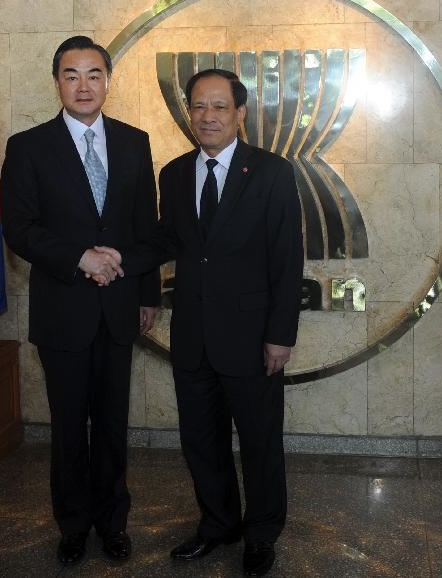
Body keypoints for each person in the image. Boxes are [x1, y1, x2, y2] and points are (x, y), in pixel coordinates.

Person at [103, 68, 303, 576]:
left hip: (252, 337)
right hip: (192, 337)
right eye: (198, 107)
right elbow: (166, 241)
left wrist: (280, 335)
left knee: (259, 442)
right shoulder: (173, 173)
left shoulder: (272, 172)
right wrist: (115, 257)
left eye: (219, 107)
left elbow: (286, 259)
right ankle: (218, 525)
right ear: (188, 113)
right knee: (200, 440)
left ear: (240, 113)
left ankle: (261, 534)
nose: (207, 116)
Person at [0, 36, 159, 567]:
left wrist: (148, 294)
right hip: (63, 310)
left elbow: (146, 228)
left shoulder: (135, 142)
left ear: (108, 81)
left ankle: (114, 524)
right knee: (68, 427)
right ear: (57, 83)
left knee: (113, 425)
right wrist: (78, 257)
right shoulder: (28, 146)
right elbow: (20, 229)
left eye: (94, 74)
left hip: (119, 310)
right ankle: (72, 525)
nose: (84, 85)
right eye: (72, 75)